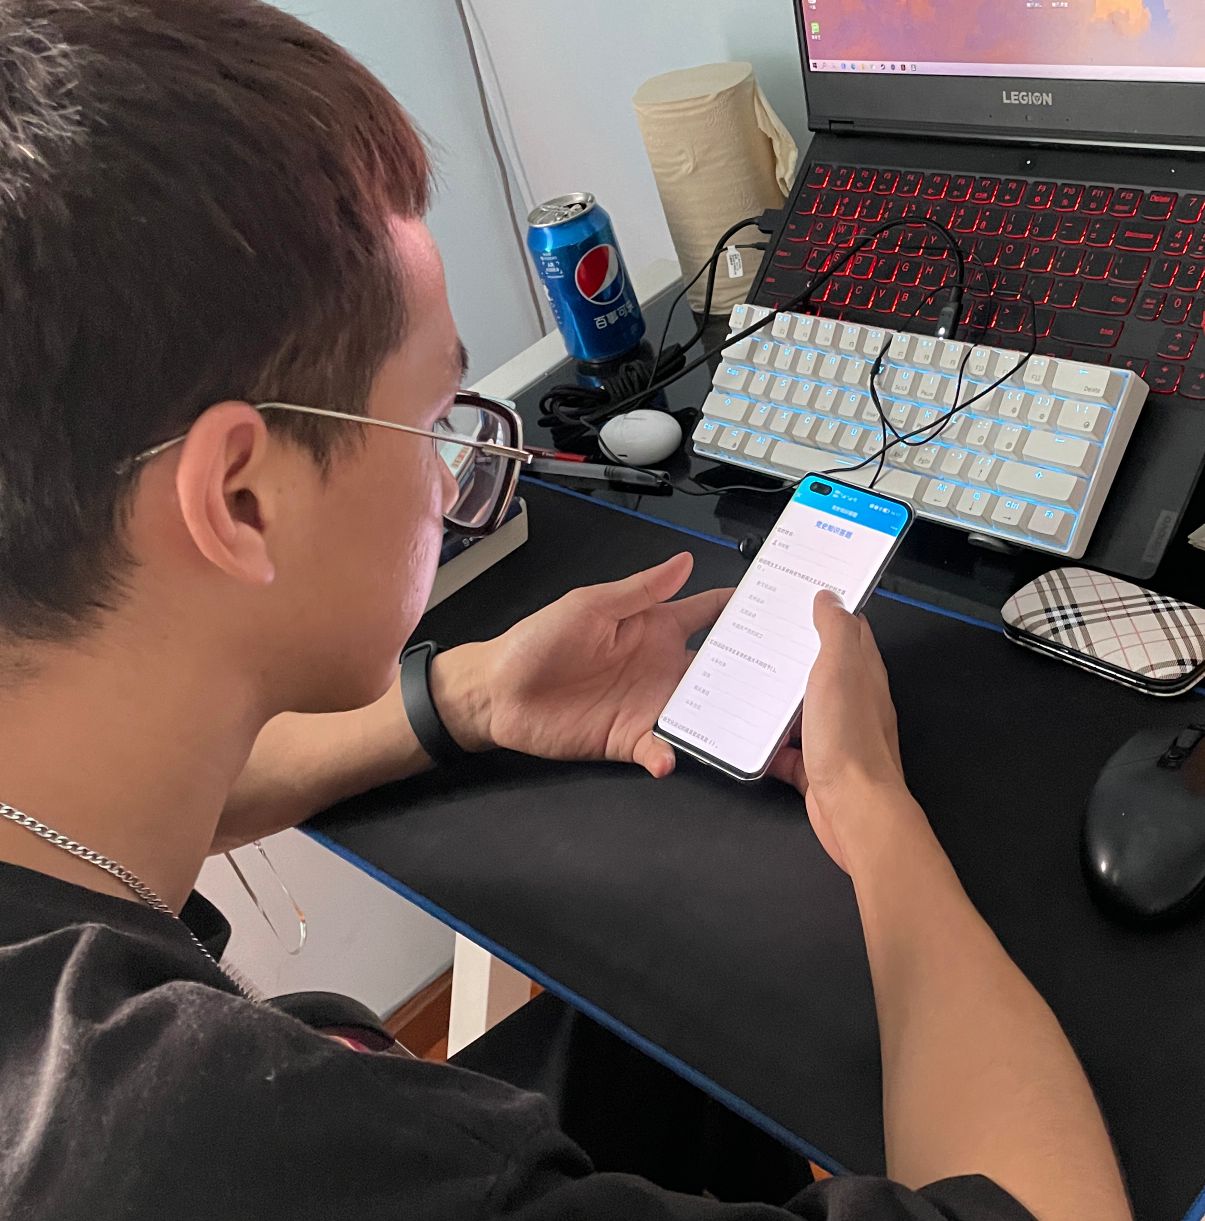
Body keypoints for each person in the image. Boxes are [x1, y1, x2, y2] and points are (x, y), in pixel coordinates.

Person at [0, 2, 1132, 1218]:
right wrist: (871, 807)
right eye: (433, 422)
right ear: (241, 499)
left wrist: (468, 696)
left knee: (672, 1034)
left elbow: (151, 801)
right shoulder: (242, 1153)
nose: (454, 482)